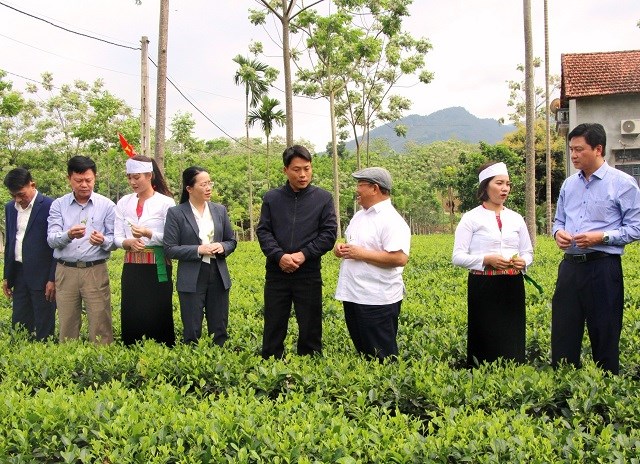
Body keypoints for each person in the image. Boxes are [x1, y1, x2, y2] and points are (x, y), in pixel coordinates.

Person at [552, 123, 640, 374]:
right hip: (569, 268)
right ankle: (562, 389)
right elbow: (558, 220)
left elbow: (636, 227)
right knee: (563, 332)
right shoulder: (569, 184)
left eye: (579, 149)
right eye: (571, 149)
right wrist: (558, 233)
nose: (573, 155)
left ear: (598, 149)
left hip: (602, 268)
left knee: (605, 332)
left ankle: (605, 390)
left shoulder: (623, 183)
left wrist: (601, 237)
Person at [257, 145, 337, 359]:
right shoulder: (272, 198)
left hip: (308, 272)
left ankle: (309, 366)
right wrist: (279, 256)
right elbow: (264, 231)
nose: (303, 174)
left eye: (307, 169)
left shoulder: (323, 198)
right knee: (274, 323)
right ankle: (272, 367)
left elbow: (328, 235)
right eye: (296, 169)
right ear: (285, 170)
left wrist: (303, 255)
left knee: (310, 324)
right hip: (277, 272)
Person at [452, 161, 533, 367]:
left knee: (511, 335)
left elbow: (528, 251)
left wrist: (524, 261)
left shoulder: (516, 218)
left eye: (507, 184)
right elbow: (458, 256)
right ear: (486, 186)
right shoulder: (470, 218)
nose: (505, 188)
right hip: (483, 285)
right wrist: (484, 260)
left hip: (512, 285)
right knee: (484, 335)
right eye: (499, 183)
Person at [334, 167, 411, 362]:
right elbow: (356, 246)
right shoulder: (360, 216)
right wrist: (342, 249)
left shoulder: (392, 220)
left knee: (382, 356)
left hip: (377, 299)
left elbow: (399, 258)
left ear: (375, 188)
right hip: (354, 294)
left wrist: (360, 254)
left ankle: (386, 391)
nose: (356, 190)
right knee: (364, 354)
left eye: (360, 185)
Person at [163, 166, 237, 345]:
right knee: (192, 329)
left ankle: (220, 364)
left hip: (218, 273)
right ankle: (193, 362)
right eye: (203, 184)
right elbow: (170, 248)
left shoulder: (219, 210)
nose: (208, 188)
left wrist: (222, 246)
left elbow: (231, 240)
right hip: (191, 276)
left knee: (219, 328)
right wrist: (198, 250)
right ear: (189, 188)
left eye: (209, 183)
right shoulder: (176, 213)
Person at [47, 155, 115, 344]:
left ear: (95, 178)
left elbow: (114, 240)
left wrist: (102, 240)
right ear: (69, 179)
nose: (84, 184)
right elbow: (51, 239)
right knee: (67, 322)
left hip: (95, 269)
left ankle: (102, 364)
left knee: (101, 322)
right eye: (79, 180)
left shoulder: (107, 205)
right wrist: (68, 235)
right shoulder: (58, 205)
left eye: (88, 180)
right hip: (65, 270)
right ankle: (69, 365)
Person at [114, 155, 176, 346]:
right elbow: (116, 237)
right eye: (129, 177)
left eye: (137, 177)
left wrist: (148, 233)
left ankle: (161, 350)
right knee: (132, 309)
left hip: (158, 265)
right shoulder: (124, 202)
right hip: (132, 266)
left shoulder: (166, 203)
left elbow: (171, 239)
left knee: (158, 309)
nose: (132, 182)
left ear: (149, 175)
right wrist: (128, 242)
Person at [3, 168, 56, 340]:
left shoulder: (50, 205)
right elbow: (11, 241)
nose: (18, 199)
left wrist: (52, 278)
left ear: (32, 185)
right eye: (13, 195)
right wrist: (7, 277)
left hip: (42, 275)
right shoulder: (11, 208)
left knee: (44, 324)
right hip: (19, 272)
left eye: (21, 194)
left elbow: (56, 246)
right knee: (19, 323)